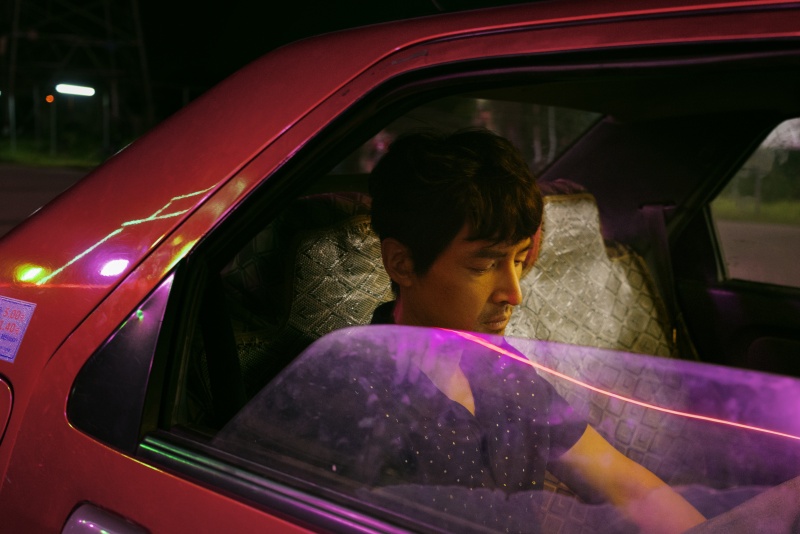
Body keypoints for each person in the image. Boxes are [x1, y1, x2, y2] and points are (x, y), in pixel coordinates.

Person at [368, 128, 706, 533]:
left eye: (519, 260)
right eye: (484, 265)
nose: (514, 293)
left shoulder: (502, 369)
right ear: (402, 264)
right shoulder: (355, 394)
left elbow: (626, 485)